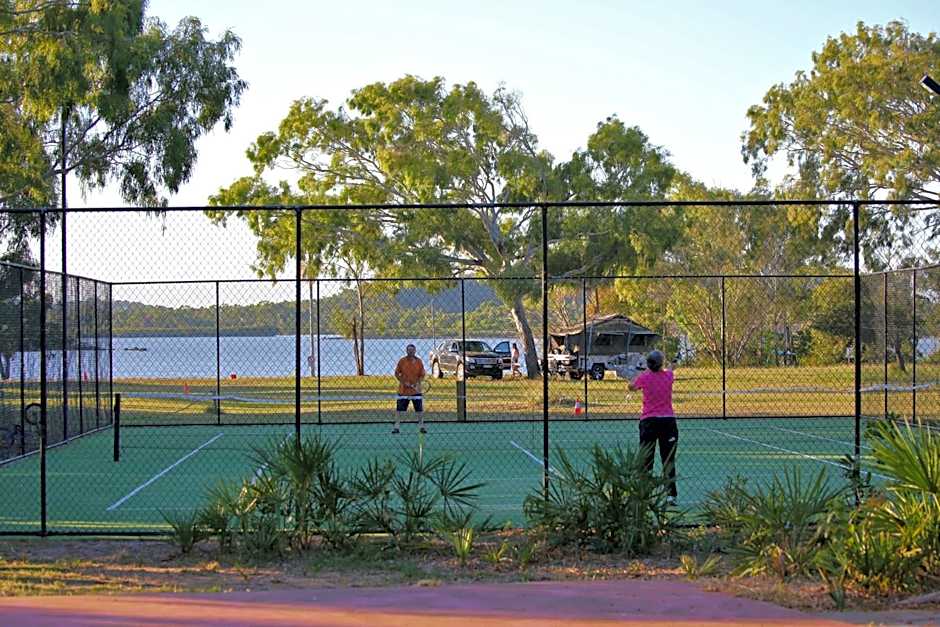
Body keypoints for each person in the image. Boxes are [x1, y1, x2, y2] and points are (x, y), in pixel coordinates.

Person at [627, 350, 678, 505]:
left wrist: (637, 374)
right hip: (667, 422)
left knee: (646, 459)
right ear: (661, 364)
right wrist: (673, 363)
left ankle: (645, 493)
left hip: (649, 422)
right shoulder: (668, 376)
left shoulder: (644, 377)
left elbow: (631, 387)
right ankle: (671, 495)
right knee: (668, 459)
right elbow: (671, 369)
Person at [393, 343, 426, 434]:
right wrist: (403, 382)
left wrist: (417, 383)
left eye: (412, 350)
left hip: (416, 391)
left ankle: (422, 427)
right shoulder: (402, 361)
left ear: (415, 351)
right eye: (409, 350)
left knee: (419, 410)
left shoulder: (419, 361)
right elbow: (396, 373)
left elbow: (422, 375)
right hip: (403, 391)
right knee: (399, 410)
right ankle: (396, 427)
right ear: (406, 351)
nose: (411, 352)